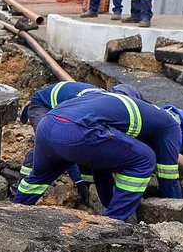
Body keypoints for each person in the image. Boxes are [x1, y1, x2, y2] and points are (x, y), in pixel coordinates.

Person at [13, 88, 183, 222]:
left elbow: (101, 165)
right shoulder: (171, 125)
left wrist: (109, 201)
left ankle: (10, 215)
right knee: (145, 158)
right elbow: (168, 178)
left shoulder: (125, 108)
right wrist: (176, 216)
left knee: (36, 180)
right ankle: (111, 226)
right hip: (77, 131)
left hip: (48, 124)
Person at [18, 81, 146, 204]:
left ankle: (88, 184)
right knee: (48, 146)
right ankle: (17, 195)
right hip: (43, 105)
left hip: (64, 109)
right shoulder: (102, 105)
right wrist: (78, 181)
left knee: (85, 144)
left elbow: (99, 160)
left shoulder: (106, 103)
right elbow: (64, 148)